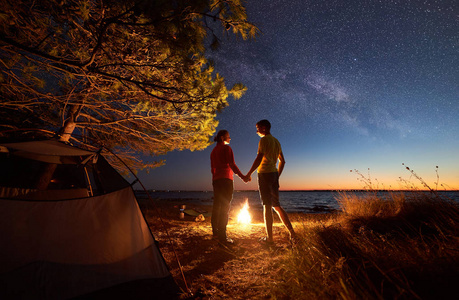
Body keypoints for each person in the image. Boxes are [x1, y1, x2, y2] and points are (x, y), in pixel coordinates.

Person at [245, 120, 296, 245]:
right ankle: (292, 233)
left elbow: (259, 158)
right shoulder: (276, 141)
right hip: (273, 174)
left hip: (264, 174)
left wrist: (249, 173)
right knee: (277, 206)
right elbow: (282, 161)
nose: (256, 131)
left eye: (258, 128)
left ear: (264, 128)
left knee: (267, 206)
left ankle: (270, 239)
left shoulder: (264, 140)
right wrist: (277, 175)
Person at [210, 130, 246, 244]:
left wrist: (216, 178)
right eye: (228, 137)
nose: (230, 139)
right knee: (225, 206)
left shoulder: (213, 151)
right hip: (226, 180)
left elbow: (213, 169)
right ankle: (223, 236)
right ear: (222, 138)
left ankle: (215, 233)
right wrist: (243, 177)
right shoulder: (226, 149)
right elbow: (232, 164)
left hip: (216, 180)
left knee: (216, 206)